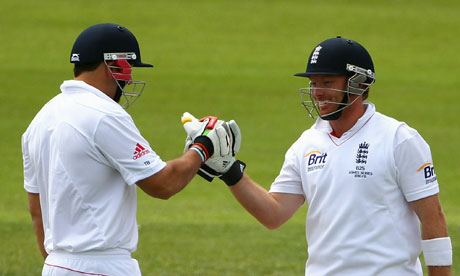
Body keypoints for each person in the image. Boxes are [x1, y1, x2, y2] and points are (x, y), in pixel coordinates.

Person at [192, 36, 452, 275]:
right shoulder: (307, 144)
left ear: (358, 83)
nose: (317, 92)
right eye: (313, 83)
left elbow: (433, 219)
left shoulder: (398, 138)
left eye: (327, 82)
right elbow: (273, 214)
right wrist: (230, 171)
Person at [22, 23, 236, 276]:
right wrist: (203, 146)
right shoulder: (104, 114)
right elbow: (163, 184)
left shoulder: (39, 120)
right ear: (113, 65)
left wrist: (62, 265)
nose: (130, 78)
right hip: (103, 266)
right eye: (129, 68)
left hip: (55, 266)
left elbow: (37, 210)